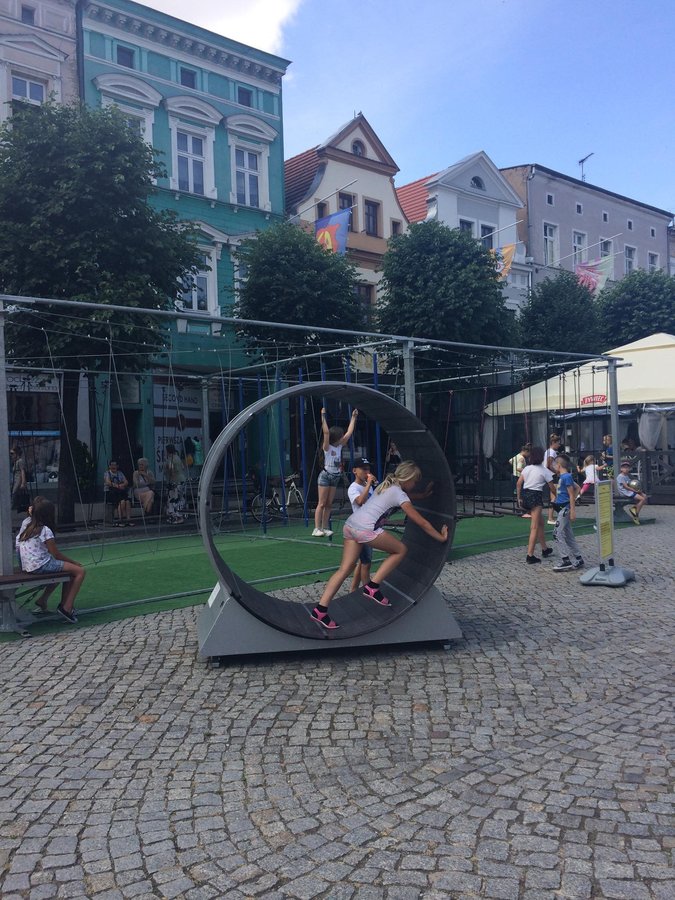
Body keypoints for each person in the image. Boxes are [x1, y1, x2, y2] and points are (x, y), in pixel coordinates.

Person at [311, 460, 449, 630]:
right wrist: (441, 538)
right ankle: (373, 586)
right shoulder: (399, 494)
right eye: (415, 481)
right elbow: (422, 522)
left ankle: (320, 610)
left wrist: (422, 496)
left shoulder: (387, 485)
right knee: (401, 550)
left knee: (344, 570)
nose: (415, 485)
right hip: (365, 529)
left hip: (351, 525)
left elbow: (402, 498)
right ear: (408, 479)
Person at [16, 497, 85, 624]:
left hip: (27, 565)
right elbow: (56, 554)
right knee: (79, 571)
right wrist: (74, 563)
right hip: (40, 565)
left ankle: (44, 600)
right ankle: (67, 608)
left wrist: (32, 511)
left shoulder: (27, 524)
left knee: (65, 571)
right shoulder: (45, 530)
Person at [313, 407, 358, 537]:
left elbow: (349, 432)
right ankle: (317, 528)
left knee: (328, 504)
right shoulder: (327, 447)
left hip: (335, 476)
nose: (343, 438)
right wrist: (323, 416)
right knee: (322, 503)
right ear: (335, 438)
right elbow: (326, 433)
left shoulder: (339, 446)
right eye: (340, 436)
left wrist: (353, 417)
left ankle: (325, 527)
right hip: (326, 476)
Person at [516, 446, 554, 564]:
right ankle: (530, 555)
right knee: (534, 527)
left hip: (525, 495)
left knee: (540, 522)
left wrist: (519, 498)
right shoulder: (544, 471)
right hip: (536, 496)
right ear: (542, 457)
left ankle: (545, 549)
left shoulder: (527, 468)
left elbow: (519, 483)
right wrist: (557, 496)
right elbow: (552, 487)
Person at [348, 457, 377, 592]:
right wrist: (369, 484)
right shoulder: (353, 488)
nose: (367, 472)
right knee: (366, 563)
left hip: (370, 526)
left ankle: (353, 589)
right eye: (364, 469)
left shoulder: (368, 486)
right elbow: (360, 501)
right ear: (355, 471)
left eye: (368, 469)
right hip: (361, 528)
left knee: (363, 560)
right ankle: (368, 590)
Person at [551, 455, 584, 572]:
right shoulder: (564, 477)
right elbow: (578, 487)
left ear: (559, 465)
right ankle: (578, 558)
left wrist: (572, 510)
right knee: (568, 535)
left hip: (564, 509)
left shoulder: (566, 477)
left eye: (554, 465)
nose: (553, 467)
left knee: (556, 534)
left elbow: (571, 493)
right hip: (562, 508)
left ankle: (565, 560)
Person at [616, 460, 647, 524]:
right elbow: (626, 487)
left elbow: (631, 484)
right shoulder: (620, 476)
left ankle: (635, 508)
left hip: (630, 491)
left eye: (627, 467)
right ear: (621, 469)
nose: (626, 469)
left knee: (644, 496)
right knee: (642, 499)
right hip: (625, 492)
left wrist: (638, 490)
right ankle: (635, 514)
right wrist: (635, 491)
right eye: (624, 468)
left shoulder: (626, 476)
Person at [104, 460, 133, 527]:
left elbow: (126, 482)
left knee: (127, 502)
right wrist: (117, 486)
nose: (113, 466)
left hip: (120, 492)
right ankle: (120, 520)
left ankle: (128, 520)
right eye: (111, 465)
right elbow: (108, 482)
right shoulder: (107, 473)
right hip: (111, 493)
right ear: (109, 466)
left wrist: (122, 485)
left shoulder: (120, 473)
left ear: (117, 466)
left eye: (115, 465)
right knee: (122, 502)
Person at [163, 444, 186, 524]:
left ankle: (177, 517)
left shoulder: (170, 459)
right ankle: (178, 516)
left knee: (174, 499)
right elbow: (183, 467)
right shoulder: (177, 457)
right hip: (181, 480)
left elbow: (171, 469)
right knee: (180, 498)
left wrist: (171, 479)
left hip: (174, 482)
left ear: (167, 451)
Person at [544, 434, 562, 524]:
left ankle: (552, 517)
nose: (559, 445)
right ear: (553, 443)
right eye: (558, 443)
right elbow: (549, 465)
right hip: (552, 476)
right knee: (554, 497)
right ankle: (550, 518)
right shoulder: (551, 452)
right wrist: (557, 472)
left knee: (554, 497)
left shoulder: (549, 451)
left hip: (550, 476)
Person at [509, 443, 531, 511]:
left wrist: (514, 465)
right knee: (520, 493)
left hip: (514, 476)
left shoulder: (517, 456)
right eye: (529, 453)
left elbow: (510, 461)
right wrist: (527, 470)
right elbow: (518, 468)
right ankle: (520, 507)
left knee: (517, 493)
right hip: (519, 477)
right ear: (526, 451)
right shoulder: (522, 458)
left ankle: (518, 507)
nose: (529, 455)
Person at [10, 445, 29, 513]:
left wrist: (23, 482)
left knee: (14, 492)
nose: (11, 455)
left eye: (12, 453)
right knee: (15, 492)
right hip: (15, 479)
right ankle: (17, 506)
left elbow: (22, 471)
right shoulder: (16, 461)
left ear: (16, 453)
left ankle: (11, 506)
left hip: (19, 479)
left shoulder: (20, 461)